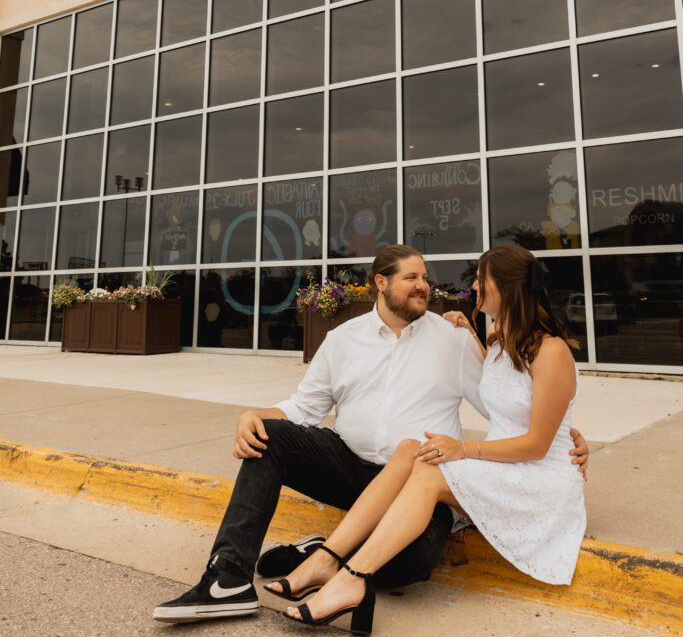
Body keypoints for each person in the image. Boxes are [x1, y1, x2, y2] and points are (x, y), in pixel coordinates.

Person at [153, 244, 588, 623]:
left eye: (426, 278)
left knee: (411, 565)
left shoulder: (454, 339)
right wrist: (254, 414)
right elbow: (304, 408)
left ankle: (327, 553)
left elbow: (513, 403)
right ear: (380, 282)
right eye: (412, 278)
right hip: (351, 467)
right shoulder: (342, 339)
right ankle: (227, 578)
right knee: (269, 435)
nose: (425, 286)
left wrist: (567, 435)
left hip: (418, 482)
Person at [282, 245, 587, 634]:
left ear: (507, 287)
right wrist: (468, 333)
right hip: (504, 465)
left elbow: (538, 445)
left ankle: (351, 578)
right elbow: (505, 392)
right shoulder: (500, 340)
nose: (474, 284)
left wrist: (465, 448)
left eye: (481, 278)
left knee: (428, 471)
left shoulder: (551, 350)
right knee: (413, 446)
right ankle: (327, 558)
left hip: (537, 477)